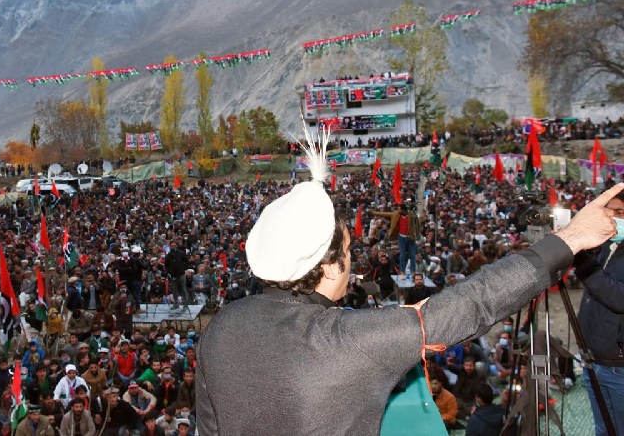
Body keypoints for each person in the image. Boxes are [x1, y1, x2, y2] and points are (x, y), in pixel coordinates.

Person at [194, 130, 624, 436]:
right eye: (347, 250)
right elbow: (472, 304)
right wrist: (569, 239)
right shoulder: (349, 339)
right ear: (327, 268)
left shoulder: (221, 326)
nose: (351, 260)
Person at [574, 186, 624, 436]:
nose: (613, 217)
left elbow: (618, 297)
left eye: (620, 212)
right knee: (604, 429)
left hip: (619, 367)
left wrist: (582, 263)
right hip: (594, 360)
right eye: (609, 211)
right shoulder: (610, 245)